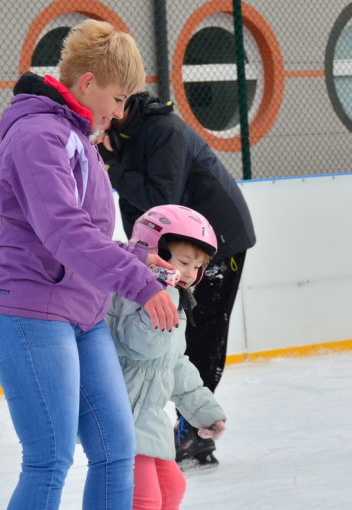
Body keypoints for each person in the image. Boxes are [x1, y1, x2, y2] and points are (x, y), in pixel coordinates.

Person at [0, 19, 183, 510]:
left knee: (116, 445)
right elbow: (63, 232)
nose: (121, 114)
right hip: (29, 312)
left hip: (83, 313)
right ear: (89, 84)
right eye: (118, 99)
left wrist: (139, 261)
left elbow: (91, 237)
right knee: (48, 458)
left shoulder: (79, 140)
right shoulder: (40, 136)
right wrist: (137, 283)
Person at [99, 91, 256, 471]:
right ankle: (179, 424)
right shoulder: (131, 136)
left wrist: (112, 164)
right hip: (177, 253)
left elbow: (160, 197)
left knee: (200, 335)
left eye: (109, 112)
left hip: (216, 246)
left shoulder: (162, 130)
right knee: (176, 335)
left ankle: (193, 432)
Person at [106, 204, 225, 510]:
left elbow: (175, 364)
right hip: (124, 411)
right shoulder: (127, 293)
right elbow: (142, 346)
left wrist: (202, 410)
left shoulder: (172, 298)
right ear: (151, 250)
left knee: (171, 488)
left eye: (198, 265)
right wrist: (160, 291)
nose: (191, 272)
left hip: (152, 414)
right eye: (182, 261)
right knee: (144, 500)